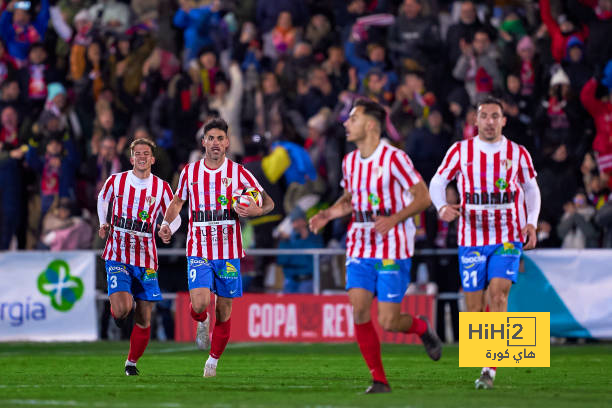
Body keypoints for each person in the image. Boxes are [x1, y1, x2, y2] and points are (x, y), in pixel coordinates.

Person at [308, 99, 442, 394]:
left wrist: (394, 219)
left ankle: (421, 327)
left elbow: (423, 198)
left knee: (390, 321)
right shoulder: (350, 161)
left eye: (353, 119)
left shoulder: (395, 159)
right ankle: (379, 380)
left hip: (393, 243)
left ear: (370, 125)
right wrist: (328, 214)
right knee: (359, 311)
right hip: (360, 241)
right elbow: (350, 199)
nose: (346, 123)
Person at [429, 97, 541, 389]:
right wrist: (442, 207)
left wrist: (531, 221)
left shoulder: (517, 153)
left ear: (504, 120)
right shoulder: (460, 151)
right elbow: (438, 182)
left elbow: (531, 189)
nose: (490, 121)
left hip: (507, 236)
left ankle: (489, 369)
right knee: (474, 306)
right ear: (475, 121)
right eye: (484, 116)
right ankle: (489, 353)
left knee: (499, 294)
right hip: (471, 239)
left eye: (495, 116)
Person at [159, 118, 275, 378]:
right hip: (199, 248)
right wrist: (166, 223)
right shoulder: (190, 172)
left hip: (229, 252)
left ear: (227, 142)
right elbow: (178, 202)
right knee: (200, 304)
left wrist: (256, 210)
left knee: (223, 309)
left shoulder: (240, 173)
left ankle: (212, 361)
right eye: (210, 138)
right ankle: (201, 322)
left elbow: (268, 203)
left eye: (220, 138)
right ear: (203, 142)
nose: (215, 143)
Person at [97, 138, 179, 376]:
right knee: (124, 310)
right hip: (118, 254)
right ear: (131, 158)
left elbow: (175, 216)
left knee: (144, 315)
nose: (142, 157)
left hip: (146, 259)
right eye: (137, 153)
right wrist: (103, 222)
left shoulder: (162, 188)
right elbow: (103, 199)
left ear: (152, 159)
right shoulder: (117, 181)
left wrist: (167, 228)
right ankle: (118, 312)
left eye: (146, 153)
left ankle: (131, 363)